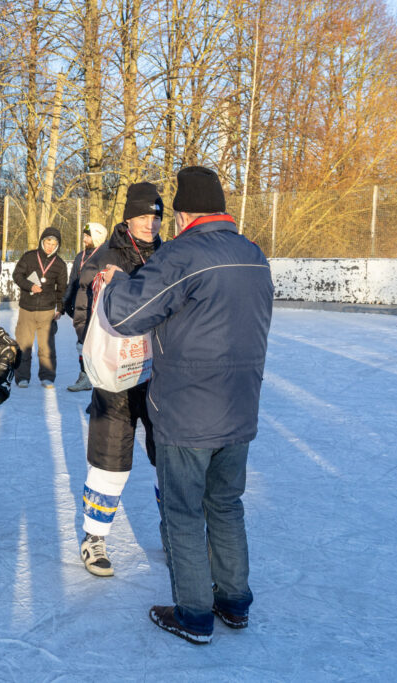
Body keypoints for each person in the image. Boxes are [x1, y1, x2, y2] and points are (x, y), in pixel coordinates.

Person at [101, 166, 273, 644]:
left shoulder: (182, 254)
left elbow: (126, 314)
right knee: (226, 505)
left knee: (182, 512)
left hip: (187, 412)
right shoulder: (254, 255)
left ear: (181, 215)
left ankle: (194, 613)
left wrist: (115, 283)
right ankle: (234, 601)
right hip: (240, 407)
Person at [74, 183, 162, 577]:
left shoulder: (168, 254)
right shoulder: (105, 255)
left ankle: (175, 532)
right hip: (116, 378)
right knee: (110, 458)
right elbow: (81, 306)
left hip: (158, 375)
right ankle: (94, 537)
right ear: (128, 217)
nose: (150, 224)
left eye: (156, 217)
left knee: (167, 458)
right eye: (143, 216)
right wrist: (90, 350)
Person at [12, 226, 68, 388]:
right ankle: (22, 377)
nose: (50, 247)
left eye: (54, 244)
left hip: (47, 311)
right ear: (42, 242)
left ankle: (47, 376)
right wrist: (29, 286)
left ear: (58, 246)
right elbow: (17, 275)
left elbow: (62, 289)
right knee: (24, 344)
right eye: (48, 243)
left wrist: (60, 308)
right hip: (27, 309)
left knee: (46, 347)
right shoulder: (29, 257)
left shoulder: (60, 264)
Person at [63, 223, 105, 392]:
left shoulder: (105, 256)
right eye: (84, 235)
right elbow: (72, 281)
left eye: (88, 236)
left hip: (98, 308)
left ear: (97, 237)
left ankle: (101, 377)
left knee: (98, 344)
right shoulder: (80, 256)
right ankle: (85, 376)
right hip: (81, 307)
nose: (84, 239)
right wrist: (66, 303)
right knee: (82, 343)